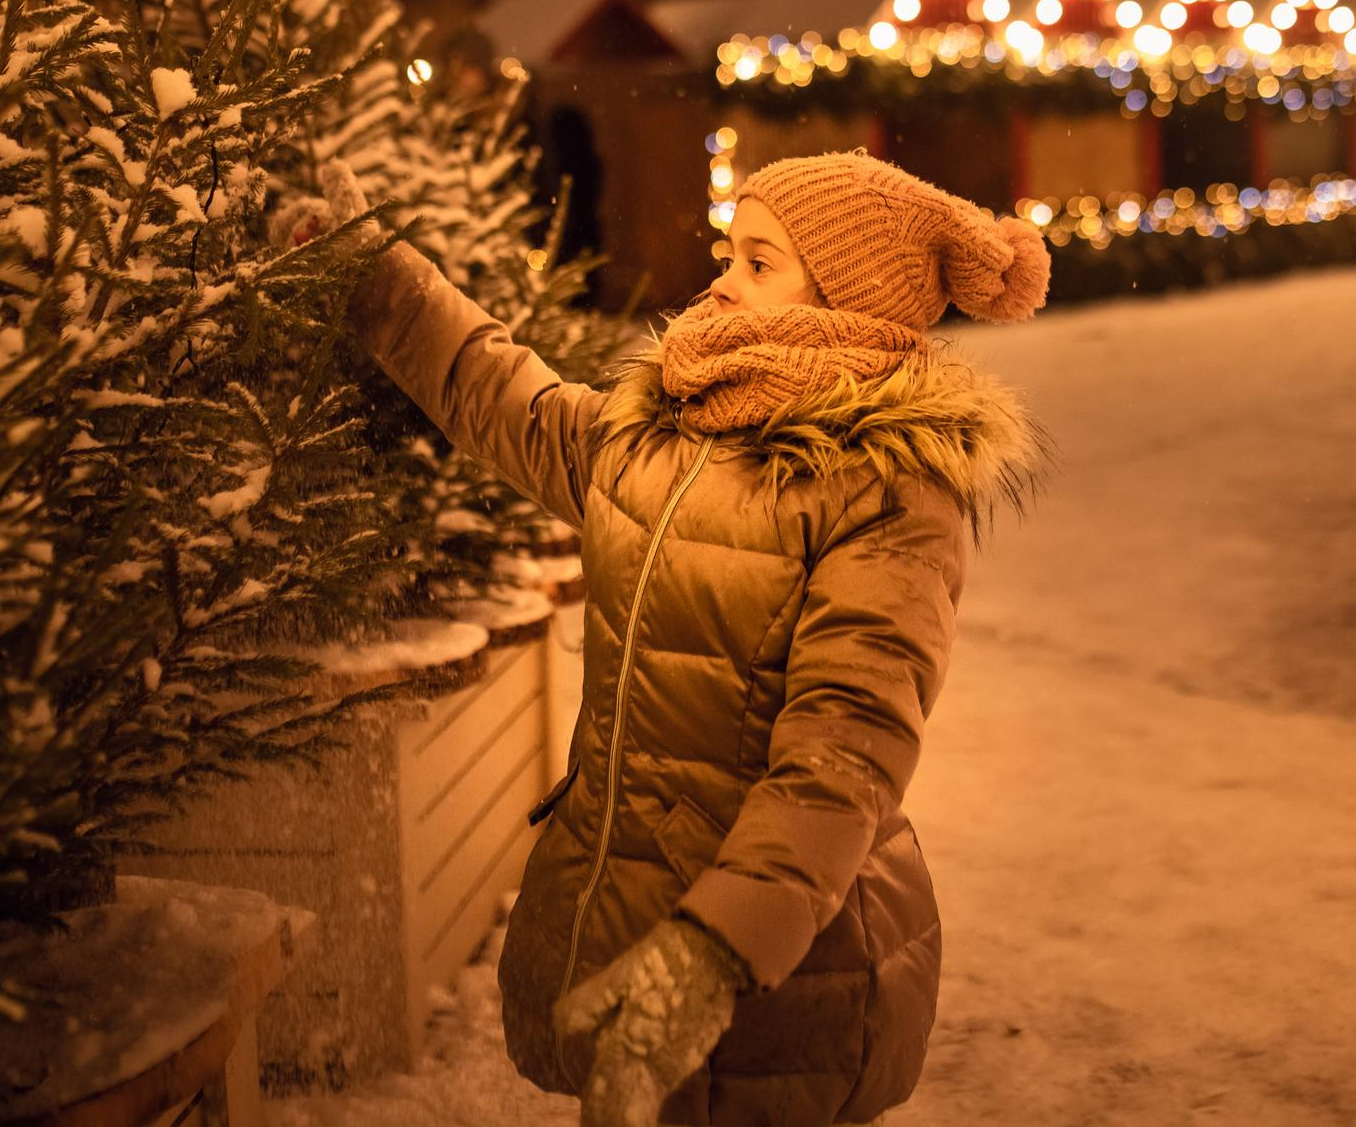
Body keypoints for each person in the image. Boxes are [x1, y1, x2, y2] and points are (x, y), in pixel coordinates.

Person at [344, 148, 1053, 1127]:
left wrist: (711, 954)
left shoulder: (884, 489)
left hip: (781, 967)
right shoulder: (669, 433)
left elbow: (846, 753)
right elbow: (510, 400)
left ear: (846, 302)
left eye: (760, 263)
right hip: (624, 916)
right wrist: (379, 280)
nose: (722, 282)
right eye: (730, 254)